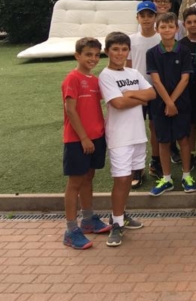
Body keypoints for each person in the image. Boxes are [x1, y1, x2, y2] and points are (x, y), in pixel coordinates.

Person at [98, 31, 157, 247]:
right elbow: (118, 104)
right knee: (121, 179)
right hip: (119, 136)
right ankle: (116, 223)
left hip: (137, 134)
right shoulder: (106, 76)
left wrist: (130, 94)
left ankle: (120, 214)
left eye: (124, 49)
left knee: (130, 176)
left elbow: (152, 94)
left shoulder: (133, 72)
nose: (120, 53)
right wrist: (138, 98)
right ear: (107, 51)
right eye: (115, 49)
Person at [61, 37, 109, 250]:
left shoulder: (94, 80)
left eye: (97, 55)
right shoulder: (72, 78)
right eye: (88, 54)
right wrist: (83, 137)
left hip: (96, 137)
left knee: (89, 176)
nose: (93, 58)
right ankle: (71, 230)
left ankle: (88, 219)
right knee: (75, 182)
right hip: (77, 140)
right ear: (77, 55)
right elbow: (70, 110)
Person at [146, 13, 196, 196]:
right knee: (164, 141)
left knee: (184, 140)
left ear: (176, 29)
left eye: (170, 26)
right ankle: (167, 179)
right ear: (157, 29)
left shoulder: (184, 51)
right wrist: (168, 103)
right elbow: (156, 81)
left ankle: (186, 176)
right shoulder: (151, 53)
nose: (167, 30)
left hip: (181, 103)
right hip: (160, 104)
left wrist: (172, 103)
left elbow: (185, 79)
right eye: (163, 27)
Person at [126, 0, 160, 186]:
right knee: (136, 129)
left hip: (157, 90)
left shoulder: (161, 38)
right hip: (137, 92)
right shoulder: (131, 40)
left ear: (155, 17)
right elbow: (128, 66)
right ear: (137, 18)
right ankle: (136, 167)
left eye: (150, 15)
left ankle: (155, 161)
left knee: (155, 127)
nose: (146, 19)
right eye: (142, 15)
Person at [179, 7, 196, 168]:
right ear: (184, 25)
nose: (193, 25)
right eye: (189, 22)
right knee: (191, 123)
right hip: (188, 90)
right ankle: (191, 153)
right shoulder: (180, 45)